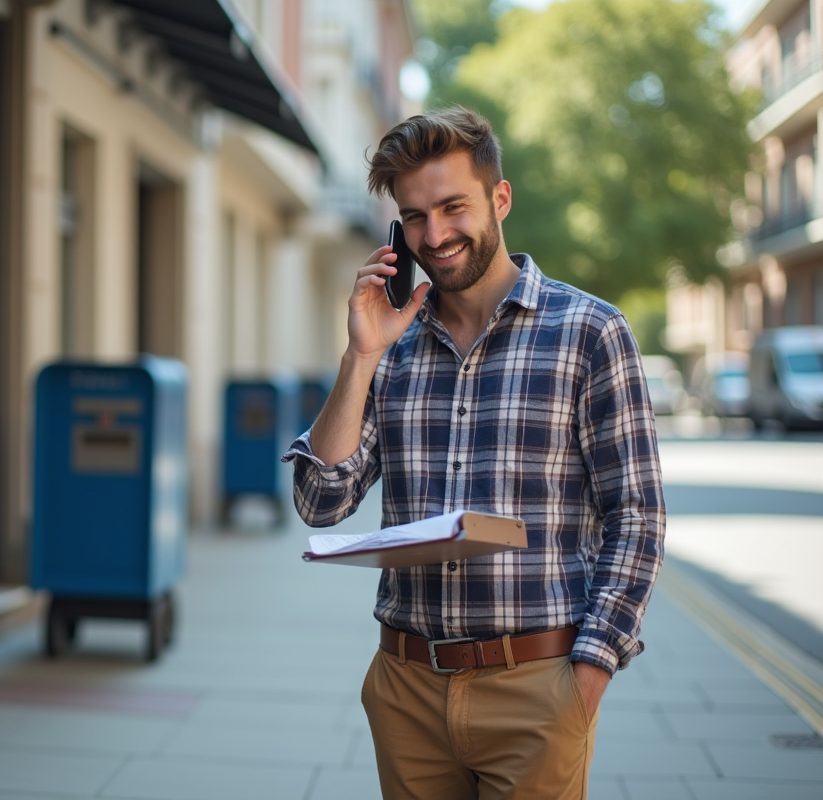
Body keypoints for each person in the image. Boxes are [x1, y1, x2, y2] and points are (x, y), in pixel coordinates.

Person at [282, 106, 664, 799]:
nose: (436, 234)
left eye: (453, 207)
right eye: (415, 216)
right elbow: (322, 500)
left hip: (537, 686)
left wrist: (589, 674)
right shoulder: (389, 348)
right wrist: (360, 353)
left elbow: (636, 517)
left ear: (500, 198)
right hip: (406, 687)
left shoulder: (590, 332)